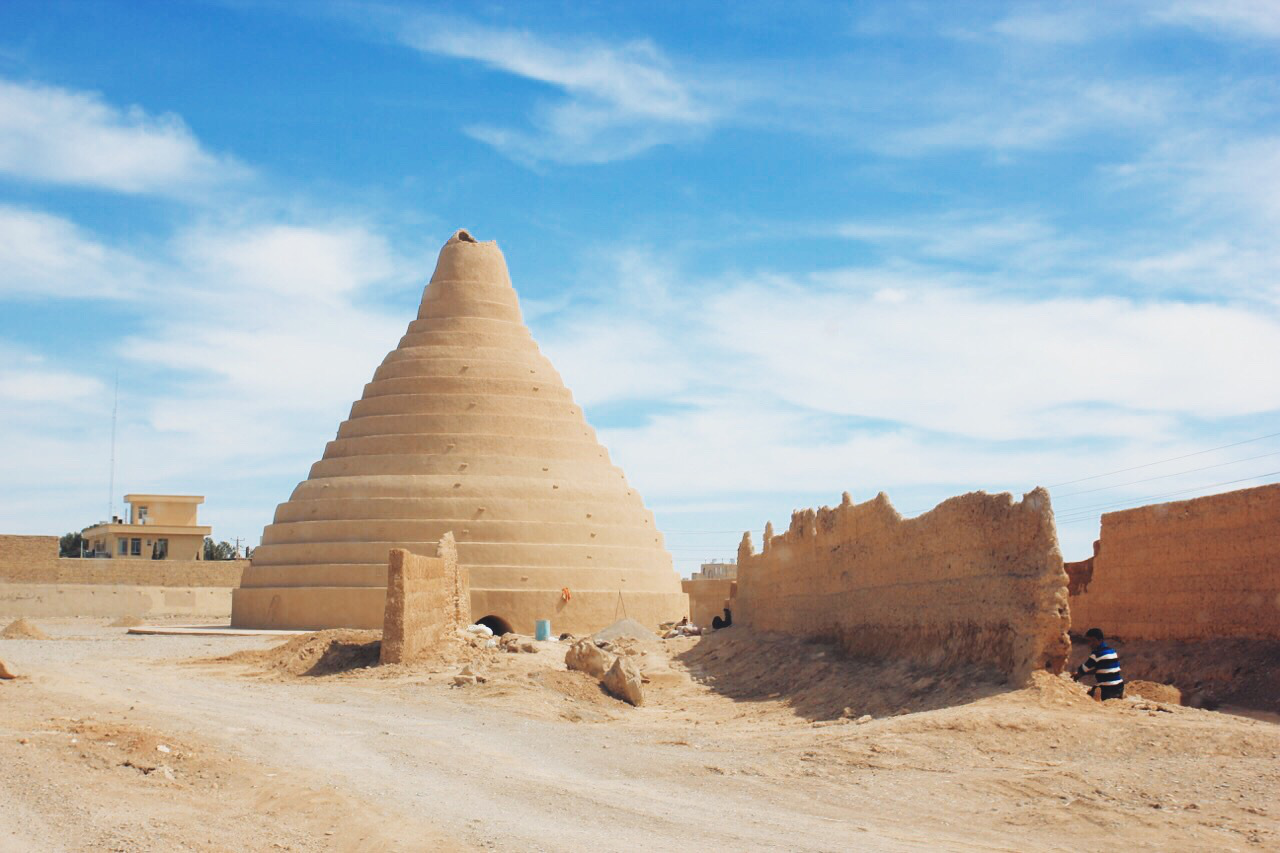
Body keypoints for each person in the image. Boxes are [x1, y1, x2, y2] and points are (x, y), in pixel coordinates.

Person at [1073, 627, 1124, 701]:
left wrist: (1076, 676)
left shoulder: (1097, 654)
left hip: (1107, 689)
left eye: (1093, 640)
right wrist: (1084, 673)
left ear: (1100, 640)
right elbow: (1101, 669)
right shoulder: (1112, 651)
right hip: (1119, 687)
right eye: (1089, 641)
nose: (1090, 644)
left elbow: (1083, 669)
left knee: (1087, 696)